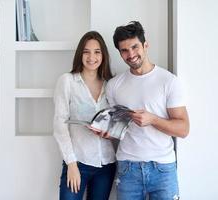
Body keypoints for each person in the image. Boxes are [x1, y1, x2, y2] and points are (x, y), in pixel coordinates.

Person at [106, 21, 190, 200]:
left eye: (135, 47)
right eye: (124, 50)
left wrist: (153, 120)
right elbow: (116, 130)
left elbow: (183, 129)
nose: (131, 54)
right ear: (120, 53)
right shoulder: (114, 85)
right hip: (127, 168)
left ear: (145, 45)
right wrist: (105, 131)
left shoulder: (169, 81)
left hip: (163, 168)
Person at [53, 31, 116, 200]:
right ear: (80, 54)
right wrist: (71, 164)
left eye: (97, 52)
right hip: (78, 162)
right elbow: (60, 125)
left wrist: (109, 133)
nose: (91, 57)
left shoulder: (111, 85)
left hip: (106, 164)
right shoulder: (67, 81)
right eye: (86, 52)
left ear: (103, 55)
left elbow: (115, 124)